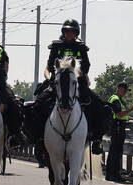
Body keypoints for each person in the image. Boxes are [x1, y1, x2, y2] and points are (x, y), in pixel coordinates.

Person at [44, 18, 106, 153]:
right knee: (39, 103)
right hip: (57, 82)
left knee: (98, 105)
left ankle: (96, 138)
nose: (69, 34)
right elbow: (49, 65)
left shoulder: (80, 47)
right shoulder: (56, 46)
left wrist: (76, 76)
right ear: (63, 32)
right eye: (67, 31)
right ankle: (38, 138)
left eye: (72, 32)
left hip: (77, 82)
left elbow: (86, 65)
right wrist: (49, 78)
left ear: (76, 33)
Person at [105, 82, 133, 182]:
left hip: (117, 126)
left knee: (113, 151)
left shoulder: (116, 99)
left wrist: (129, 118)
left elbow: (119, 114)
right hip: (117, 127)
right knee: (117, 152)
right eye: (124, 90)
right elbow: (119, 114)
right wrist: (131, 109)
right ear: (118, 89)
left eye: (126, 91)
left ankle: (109, 175)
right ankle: (115, 175)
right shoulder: (116, 99)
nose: (125, 93)